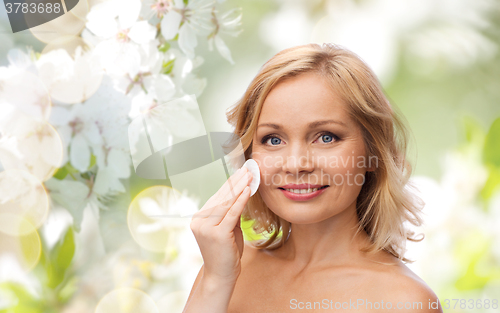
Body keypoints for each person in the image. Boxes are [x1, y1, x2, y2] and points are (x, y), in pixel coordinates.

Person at [183, 43, 443, 312]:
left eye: (326, 137)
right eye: (273, 139)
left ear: (373, 151)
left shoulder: (404, 302)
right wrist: (216, 281)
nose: (296, 165)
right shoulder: (227, 271)